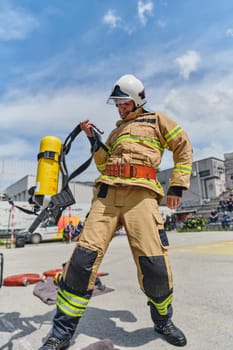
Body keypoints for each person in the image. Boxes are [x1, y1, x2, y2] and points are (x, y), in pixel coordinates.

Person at [39, 74, 193, 349]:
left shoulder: (158, 120)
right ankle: (61, 333)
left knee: (154, 265)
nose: (120, 109)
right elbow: (102, 165)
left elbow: (183, 146)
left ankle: (162, 321)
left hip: (142, 196)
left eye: (124, 103)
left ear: (137, 99)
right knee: (81, 262)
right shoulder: (115, 132)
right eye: (118, 105)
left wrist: (178, 186)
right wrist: (93, 140)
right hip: (107, 196)